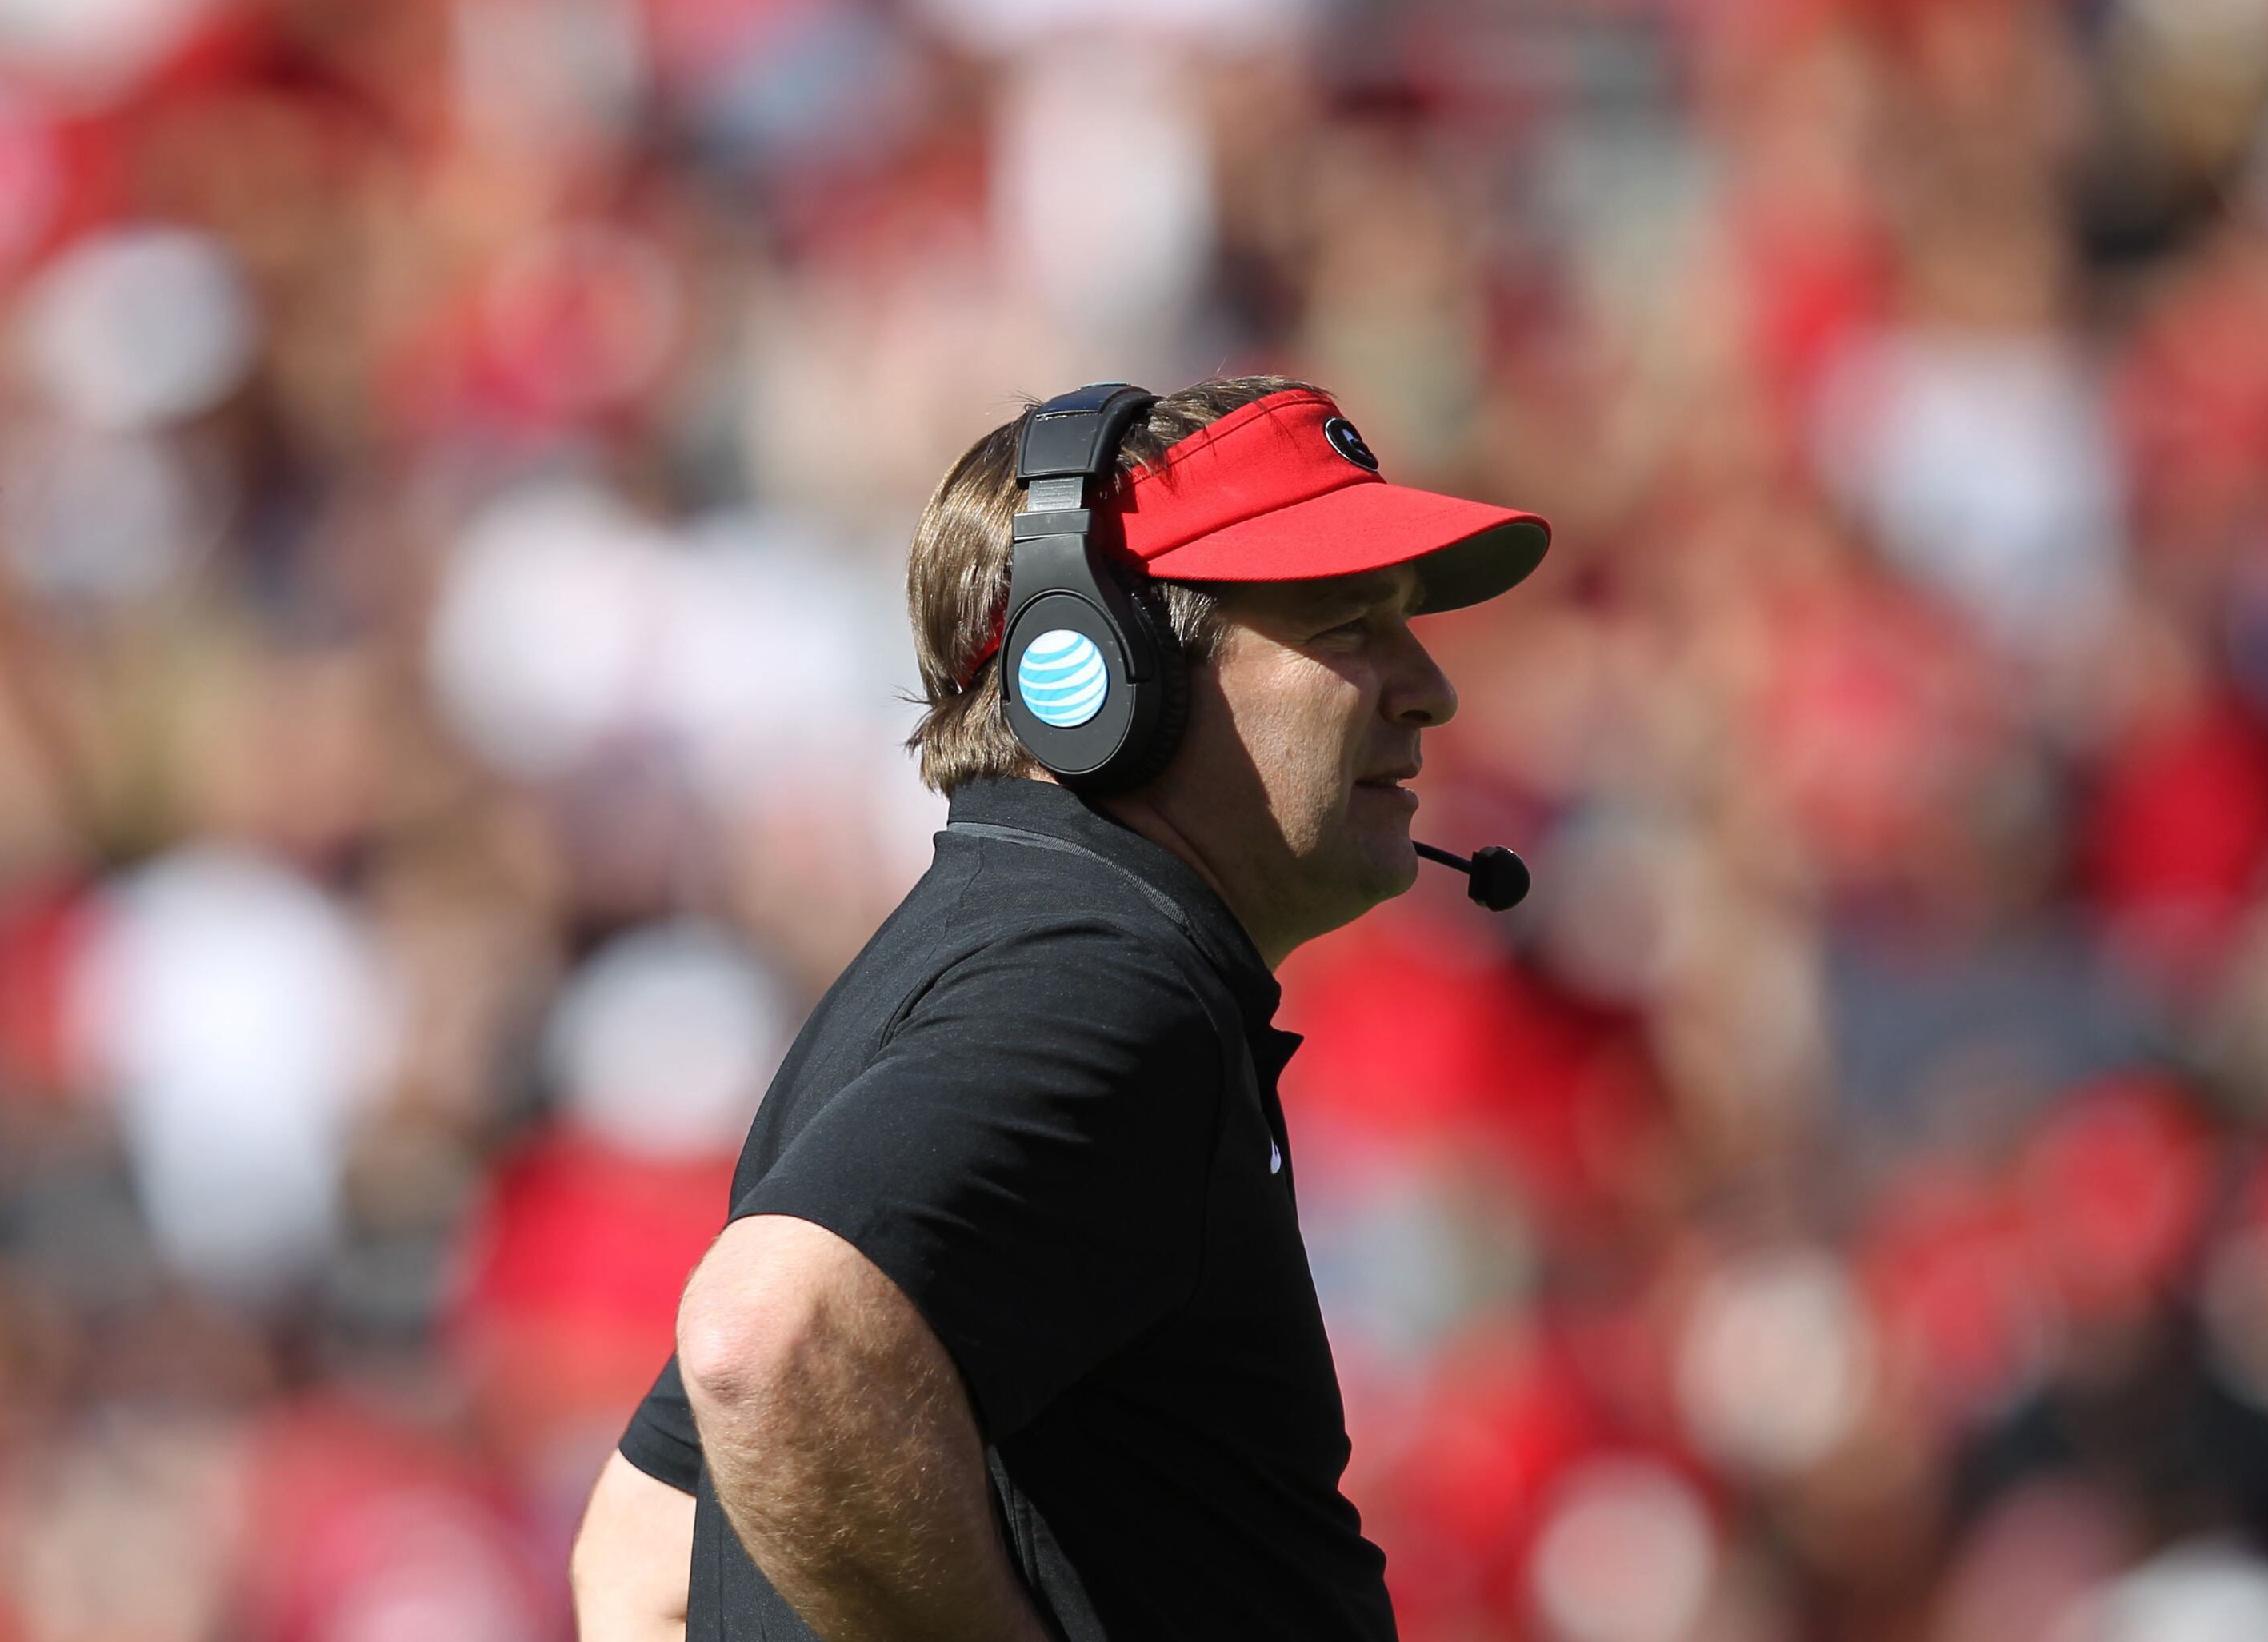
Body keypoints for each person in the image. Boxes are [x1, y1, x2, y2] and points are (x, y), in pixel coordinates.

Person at [570, 377, 1551, 1641]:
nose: (1429, 690)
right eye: (1350, 623)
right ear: (1094, 669)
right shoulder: (1101, 983)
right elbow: (768, 1344)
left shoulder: (994, 959)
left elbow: (643, 1561)